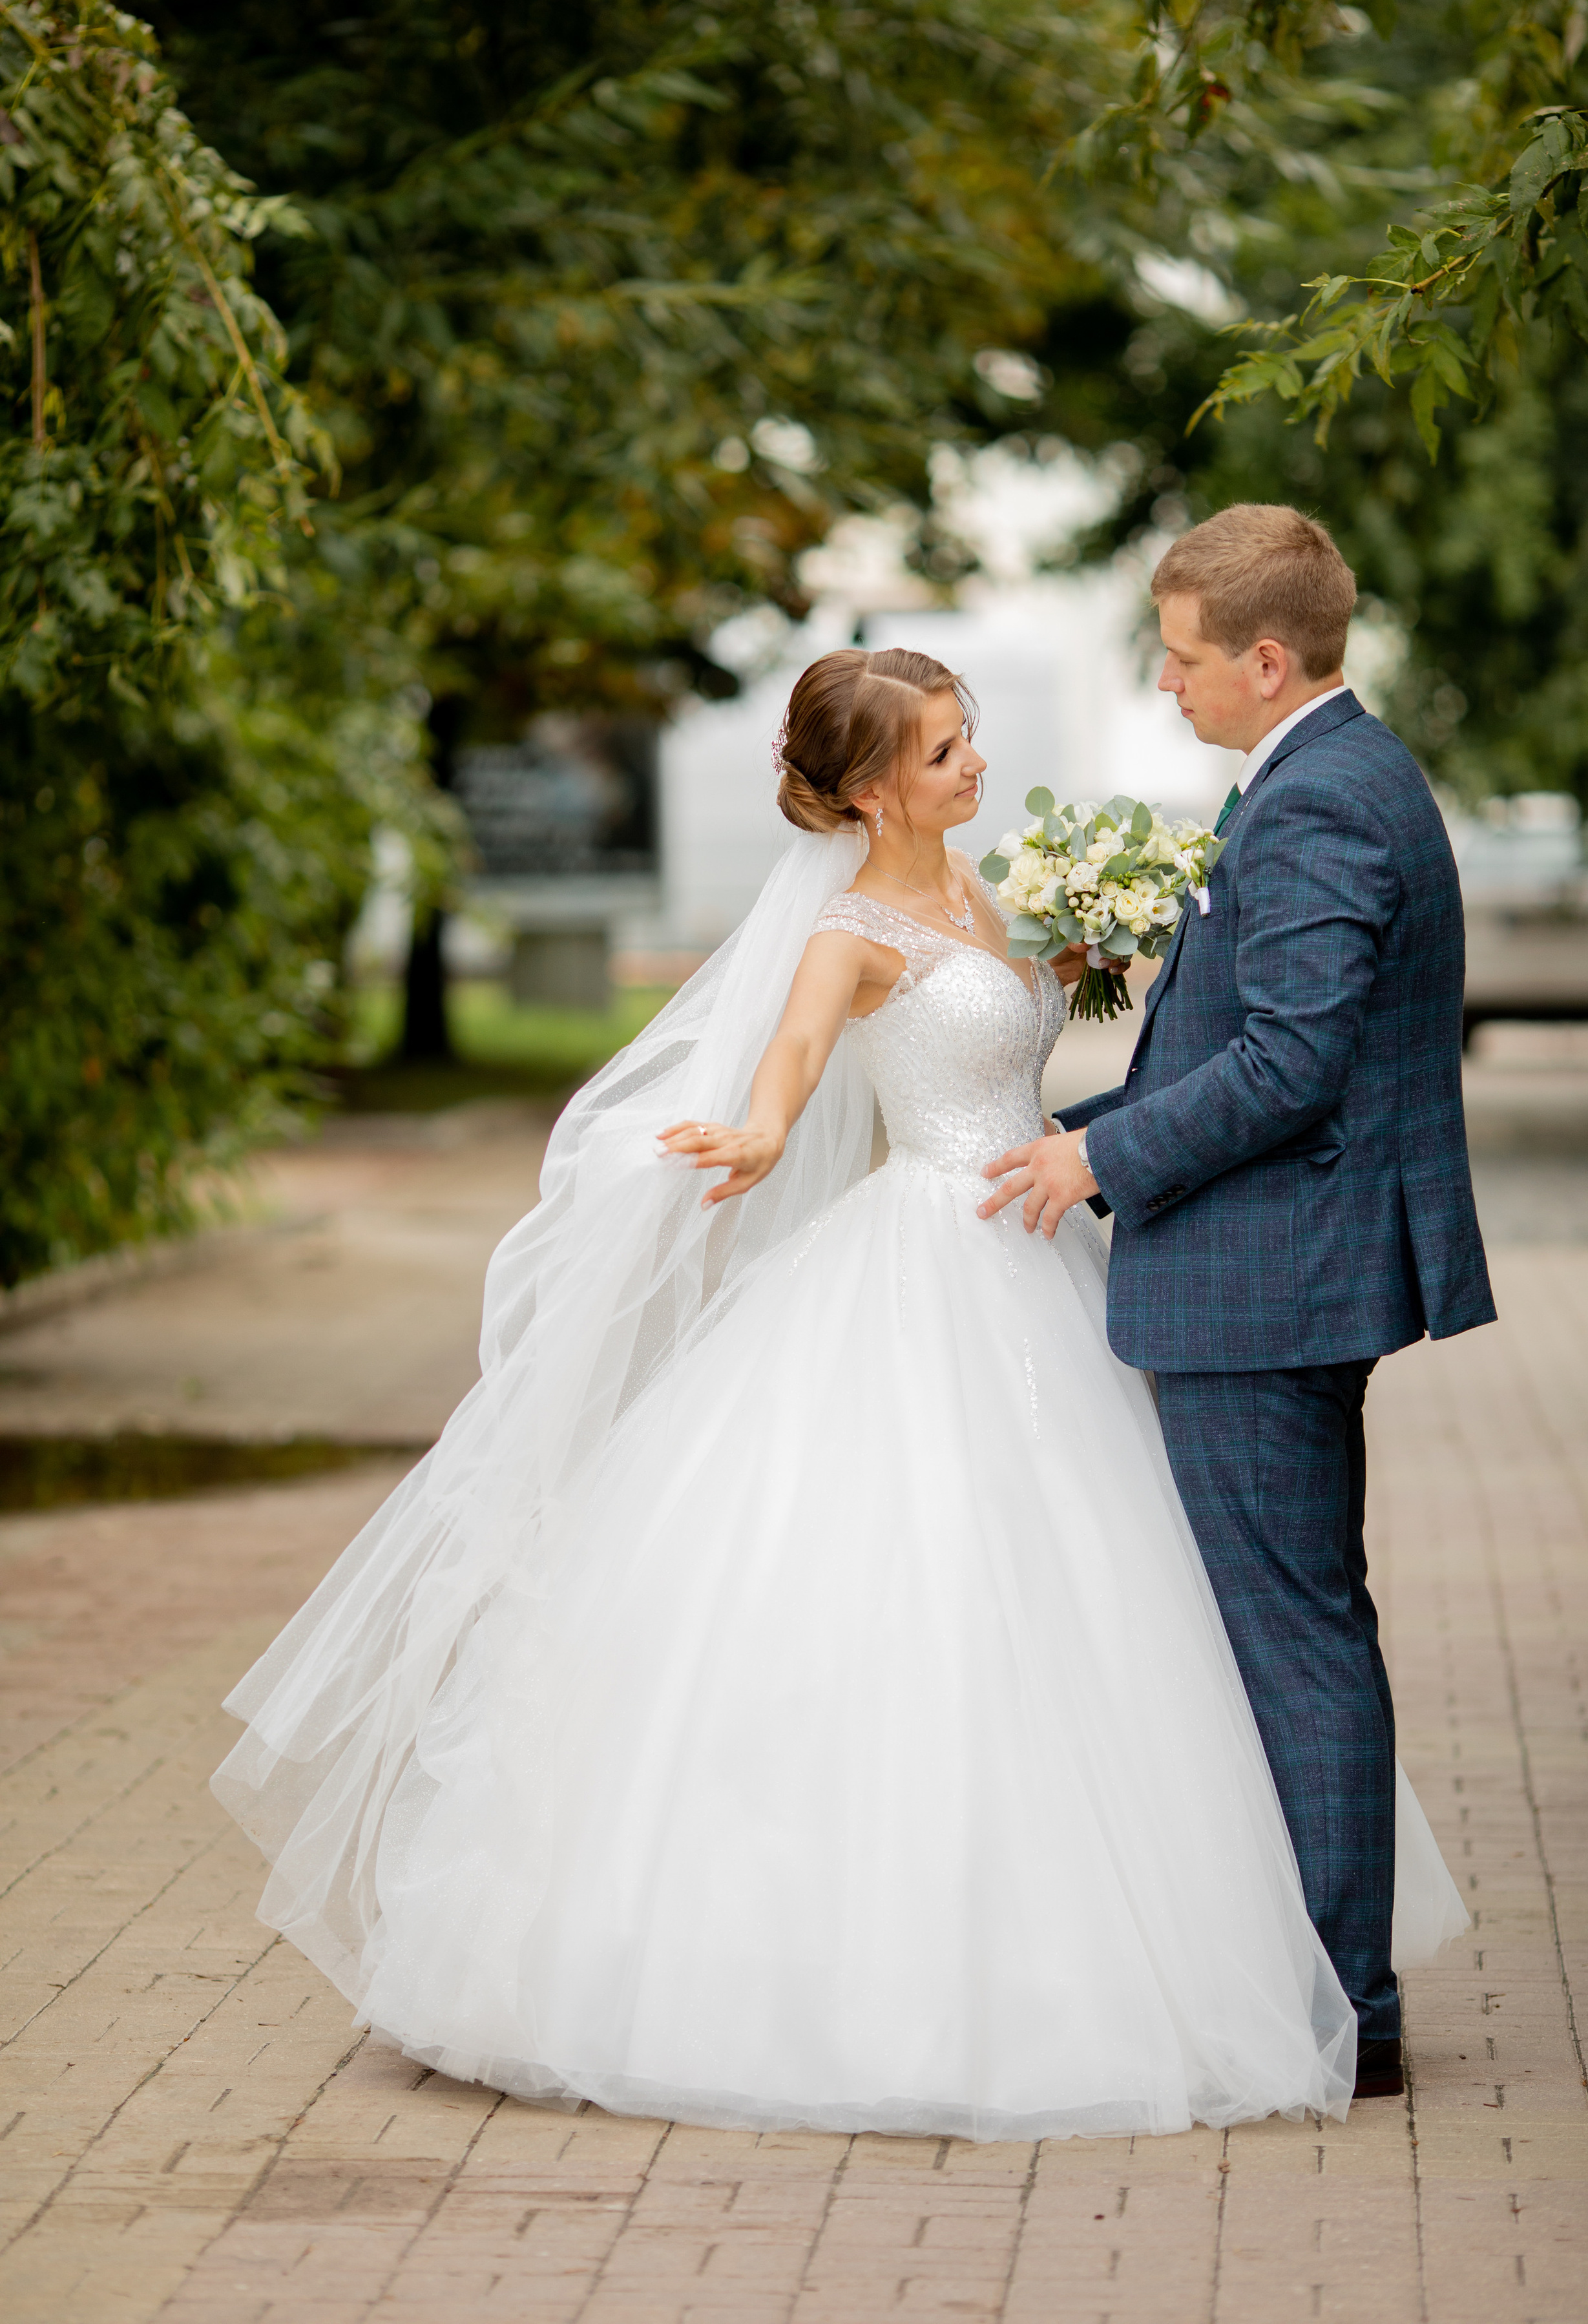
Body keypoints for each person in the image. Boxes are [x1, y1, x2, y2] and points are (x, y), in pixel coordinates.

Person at [213, 639, 1465, 2142]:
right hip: (918, 1265)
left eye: (969, 738)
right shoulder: (848, 932)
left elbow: (1014, 1065)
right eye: (944, 752)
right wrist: (749, 1141)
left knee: (1113, 1596)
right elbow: (792, 1069)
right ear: (872, 790)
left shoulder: (985, 898)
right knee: (898, 1588)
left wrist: (1092, 1074)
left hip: (1030, 1247)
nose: (974, 765)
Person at [979, 507, 1495, 2102]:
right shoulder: (1321, 779)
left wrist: (1093, 1158)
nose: (1165, 677)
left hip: (1267, 1282)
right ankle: (1324, 1987)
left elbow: (1292, 1061)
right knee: (1290, 1630)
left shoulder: (1323, 802)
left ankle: (1342, 2007)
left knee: (1293, 1643)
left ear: (1268, 660)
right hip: (1275, 1270)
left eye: (1185, 655)